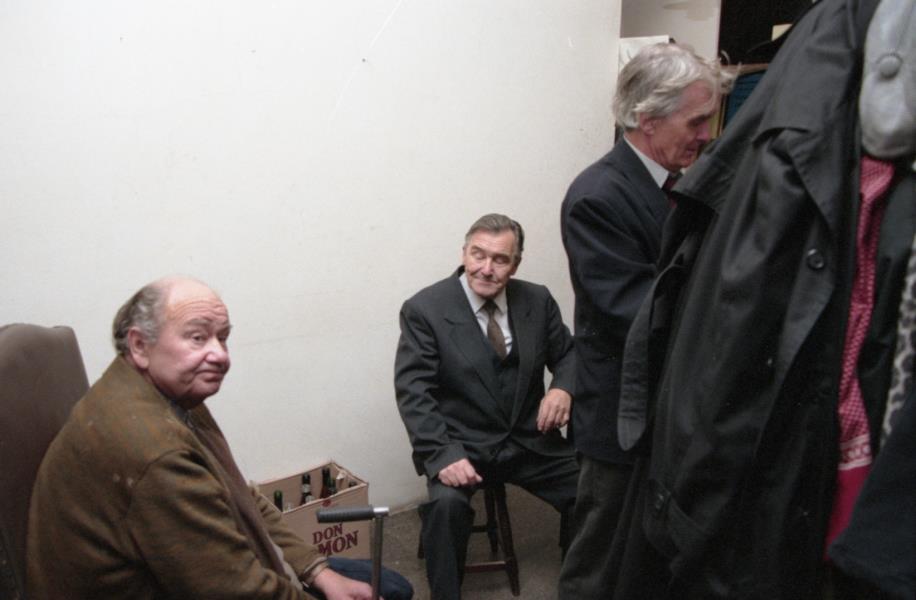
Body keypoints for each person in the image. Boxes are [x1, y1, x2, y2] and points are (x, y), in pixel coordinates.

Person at [27, 276, 413, 600]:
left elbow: (240, 494)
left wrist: (317, 570)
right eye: (197, 337)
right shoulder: (155, 452)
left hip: (216, 567)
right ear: (140, 345)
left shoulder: (171, 392)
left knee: (391, 585)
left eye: (223, 338)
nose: (220, 355)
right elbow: (235, 591)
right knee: (391, 591)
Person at [557, 42, 734, 599]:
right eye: (697, 121)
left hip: (670, 414)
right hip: (621, 423)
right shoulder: (597, 196)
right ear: (647, 118)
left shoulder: (684, 183)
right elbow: (636, 311)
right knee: (599, 567)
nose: (707, 135)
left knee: (648, 567)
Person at [394, 213, 579, 600]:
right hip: (462, 446)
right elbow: (414, 390)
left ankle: (583, 580)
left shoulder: (538, 299)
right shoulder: (425, 309)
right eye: (478, 255)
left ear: (516, 265)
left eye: (500, 259)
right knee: (445, 509)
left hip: (530, 441)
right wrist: (443, 454)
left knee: (596, 490)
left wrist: (563, 388)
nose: (486, 268)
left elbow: (570, 355)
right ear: (464, 253)